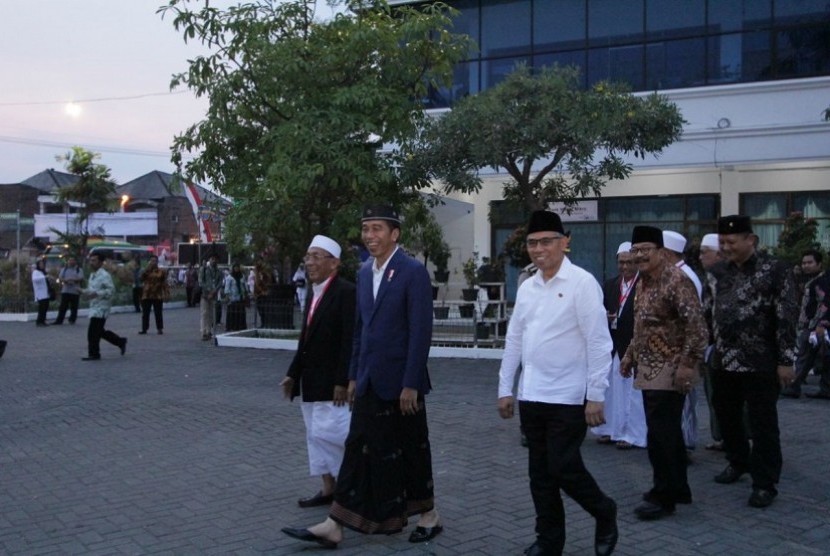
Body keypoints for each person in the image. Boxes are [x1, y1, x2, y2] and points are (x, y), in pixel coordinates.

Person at [282, 204, 439, 550]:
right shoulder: (366, 273)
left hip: (403, 383)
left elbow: (420, 332)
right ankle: (335, 524)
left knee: (413, 448)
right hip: (369, 381)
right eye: (366, 229)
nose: (370, 236)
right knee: (357, 448)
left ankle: (429, 515)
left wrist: (411, 382)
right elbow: (360, 332)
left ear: (394, 233)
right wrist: (353, 375)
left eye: (377, 229)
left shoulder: (412, 271)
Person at [498, 210, 618, 556]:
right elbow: (515, 340)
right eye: (533, 243)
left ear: (565, 243)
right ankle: (550, 541)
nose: (539, 249)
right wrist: (506, 388)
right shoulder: (528, 286)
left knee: (564, 467)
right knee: (540, 475)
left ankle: (604, 510)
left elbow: (598, 342)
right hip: (533, 395)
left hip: (569, 395)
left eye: (547, 241)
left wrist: (596, 394)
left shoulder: (582, 283)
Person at [705, 215, 798, 509]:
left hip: (761, 361)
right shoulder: (717, 271)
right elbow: (708, 312)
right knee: (726, 415)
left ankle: (765, 483)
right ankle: (737, 461)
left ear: (751, 240)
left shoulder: (776, 270)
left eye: (732, 242)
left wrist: (786, 360)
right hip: (724, 359)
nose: (726, 247)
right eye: (722, 242)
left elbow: (787, 315)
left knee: (762, 424)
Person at [621, 226, 707, 521]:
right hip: (648, 366)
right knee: (664, 432)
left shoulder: (676, 280)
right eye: (636, 250)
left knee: (661, 435)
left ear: (661, 252)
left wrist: (687, 365)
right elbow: (642, 325)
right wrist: (630, 355)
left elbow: (697, 328)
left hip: (671, 368)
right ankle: (678, 488)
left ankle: (663, 497)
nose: (640, 256)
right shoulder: (642, 282)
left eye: (646, 249)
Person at [280, 235, 355, 510]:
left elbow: (350, 339)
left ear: (334, 263)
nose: (308, 263)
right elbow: (306, 338)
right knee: (314, 435)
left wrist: (342, 380)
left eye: (315, 257)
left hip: (331, 384)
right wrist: (293, 373)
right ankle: (329, 489)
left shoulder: (346, 292)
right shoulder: (315, 291)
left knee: (332, 435)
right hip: (311, 381)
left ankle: (349, 492)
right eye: (307, 257)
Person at [593, 241, 646, 450]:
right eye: (621, 262)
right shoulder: (610, 284)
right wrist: (605, 316)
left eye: (630, 263)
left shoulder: (643, 284)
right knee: (612, 391)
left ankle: (631, 434)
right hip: (613, 345)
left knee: (631, 394)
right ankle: (609, 429)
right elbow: (599, 309)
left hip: (632, 345)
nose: (625, 267)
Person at [662, 230, 701, 453]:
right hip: (673, 352)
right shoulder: (676, 274)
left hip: (681, 353)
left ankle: (683, 446)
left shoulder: (684, 278)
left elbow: (693, 324)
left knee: (684, 404)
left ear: (666, 253)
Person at [782, 249, 826, 398]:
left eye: (810, 262)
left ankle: (793, 386)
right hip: (812, 325)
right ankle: (824, 389)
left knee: (804, 356)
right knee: (818, 357)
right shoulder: (810, 281)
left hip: (815, 327)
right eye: (804, 263)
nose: (806, 266)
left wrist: (821, 324)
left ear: (819, 264)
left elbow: (825, 303)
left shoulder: (822, 281)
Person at [698, 233, 725, 451]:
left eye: (704, 252)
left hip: (726, 350)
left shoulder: (725, 277)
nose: (700, 257)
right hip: (711, 349)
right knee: (713, 395)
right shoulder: (709, 277)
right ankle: (721, 437)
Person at [80, 253, 127, 361]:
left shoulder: (105, 275)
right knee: (99, 331)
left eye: (94, 261)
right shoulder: (92, 275)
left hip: (102, 308)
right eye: (90, 260)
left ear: (100, 262)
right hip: (94, 306)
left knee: (92, 332)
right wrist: (83, 292)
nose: (91, 263)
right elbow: (91, 291)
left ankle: (94, 353)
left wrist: (97, 294)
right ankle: (120, 341)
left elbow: (111, 290)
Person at [139, 255, 169, 335]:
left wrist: (166, 294)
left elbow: (164, 284)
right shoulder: (146, 271)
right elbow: (141, 279)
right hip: (147, 294)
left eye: (154, 261)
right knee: (145, 313)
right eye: (151, 261)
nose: (153, 262)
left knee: (158, 313)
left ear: (157, 262)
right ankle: (144, 329)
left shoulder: (161, 272)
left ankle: (159, 328)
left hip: (157, 295)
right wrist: (146, 270)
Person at [199, 254, 223, 341]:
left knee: (211, 314)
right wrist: (209, 291)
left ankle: (209, 331)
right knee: (204, 313)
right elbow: (201, 282)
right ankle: (203, 332)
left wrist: (214, 291)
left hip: (214, 295)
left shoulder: (219, 272)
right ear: (209, 259)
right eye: (212, 259)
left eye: (215, 259)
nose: (214, 261)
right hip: (205, 295)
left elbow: (220, 282)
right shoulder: (204, 269)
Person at [53, 257, 83, 325]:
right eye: (70, 260)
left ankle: (72, 319)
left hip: (75, 291)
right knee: (63, 306)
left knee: (74, 307)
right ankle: (59, 320)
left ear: (75, 261)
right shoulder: (64, 269)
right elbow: (60, 278)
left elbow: (81, 278)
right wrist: (65, 280)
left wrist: (73, 280)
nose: (71, 261)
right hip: (65, 290)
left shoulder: (79, 270)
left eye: (73, 260)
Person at [223, 263, 249, 332]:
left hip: (240, 297)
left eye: (237, 267)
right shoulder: (229, 277)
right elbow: (227, 287)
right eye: (235, 267)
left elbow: (245, 286)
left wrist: (246, 294)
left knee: (240, 313)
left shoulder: (242, 276)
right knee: (232, 313)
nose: (236, 269)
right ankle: (231, 326)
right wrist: (227, 296)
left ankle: (240, 326)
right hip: (233, 298)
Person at [253, 259, 274, 327]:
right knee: (261, 310)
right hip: (259, 294)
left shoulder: (266, 273)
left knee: (265, 310)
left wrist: (264, 291)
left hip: (265, 294)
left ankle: (266, 324)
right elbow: (256, 283)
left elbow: (268, 282)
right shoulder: (257, 272)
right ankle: (263, 323)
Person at [31, 259, 51, 327]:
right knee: (42, 308)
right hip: (40, 293)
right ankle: (39, 321)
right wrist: (44, 277)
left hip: (45, 293)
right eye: (41, 264)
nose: (42, 265)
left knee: (45, 307)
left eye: (43, 264)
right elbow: (35, 279)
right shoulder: (35, 272)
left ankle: (43, 320)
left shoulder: (42, 272)